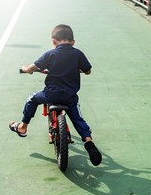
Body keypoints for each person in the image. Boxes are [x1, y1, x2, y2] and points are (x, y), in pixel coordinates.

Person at [9, 24, 102, 166]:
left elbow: (31, 67)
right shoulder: (78, 53)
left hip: (50, 95)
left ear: (54, 41)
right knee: (78, 119)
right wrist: (77, 69)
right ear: (73, 41)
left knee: (32, 99)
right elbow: (88, 71)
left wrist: (25, 69)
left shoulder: (50, 54)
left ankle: (23, 126)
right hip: (70, 97)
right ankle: (88, 141)